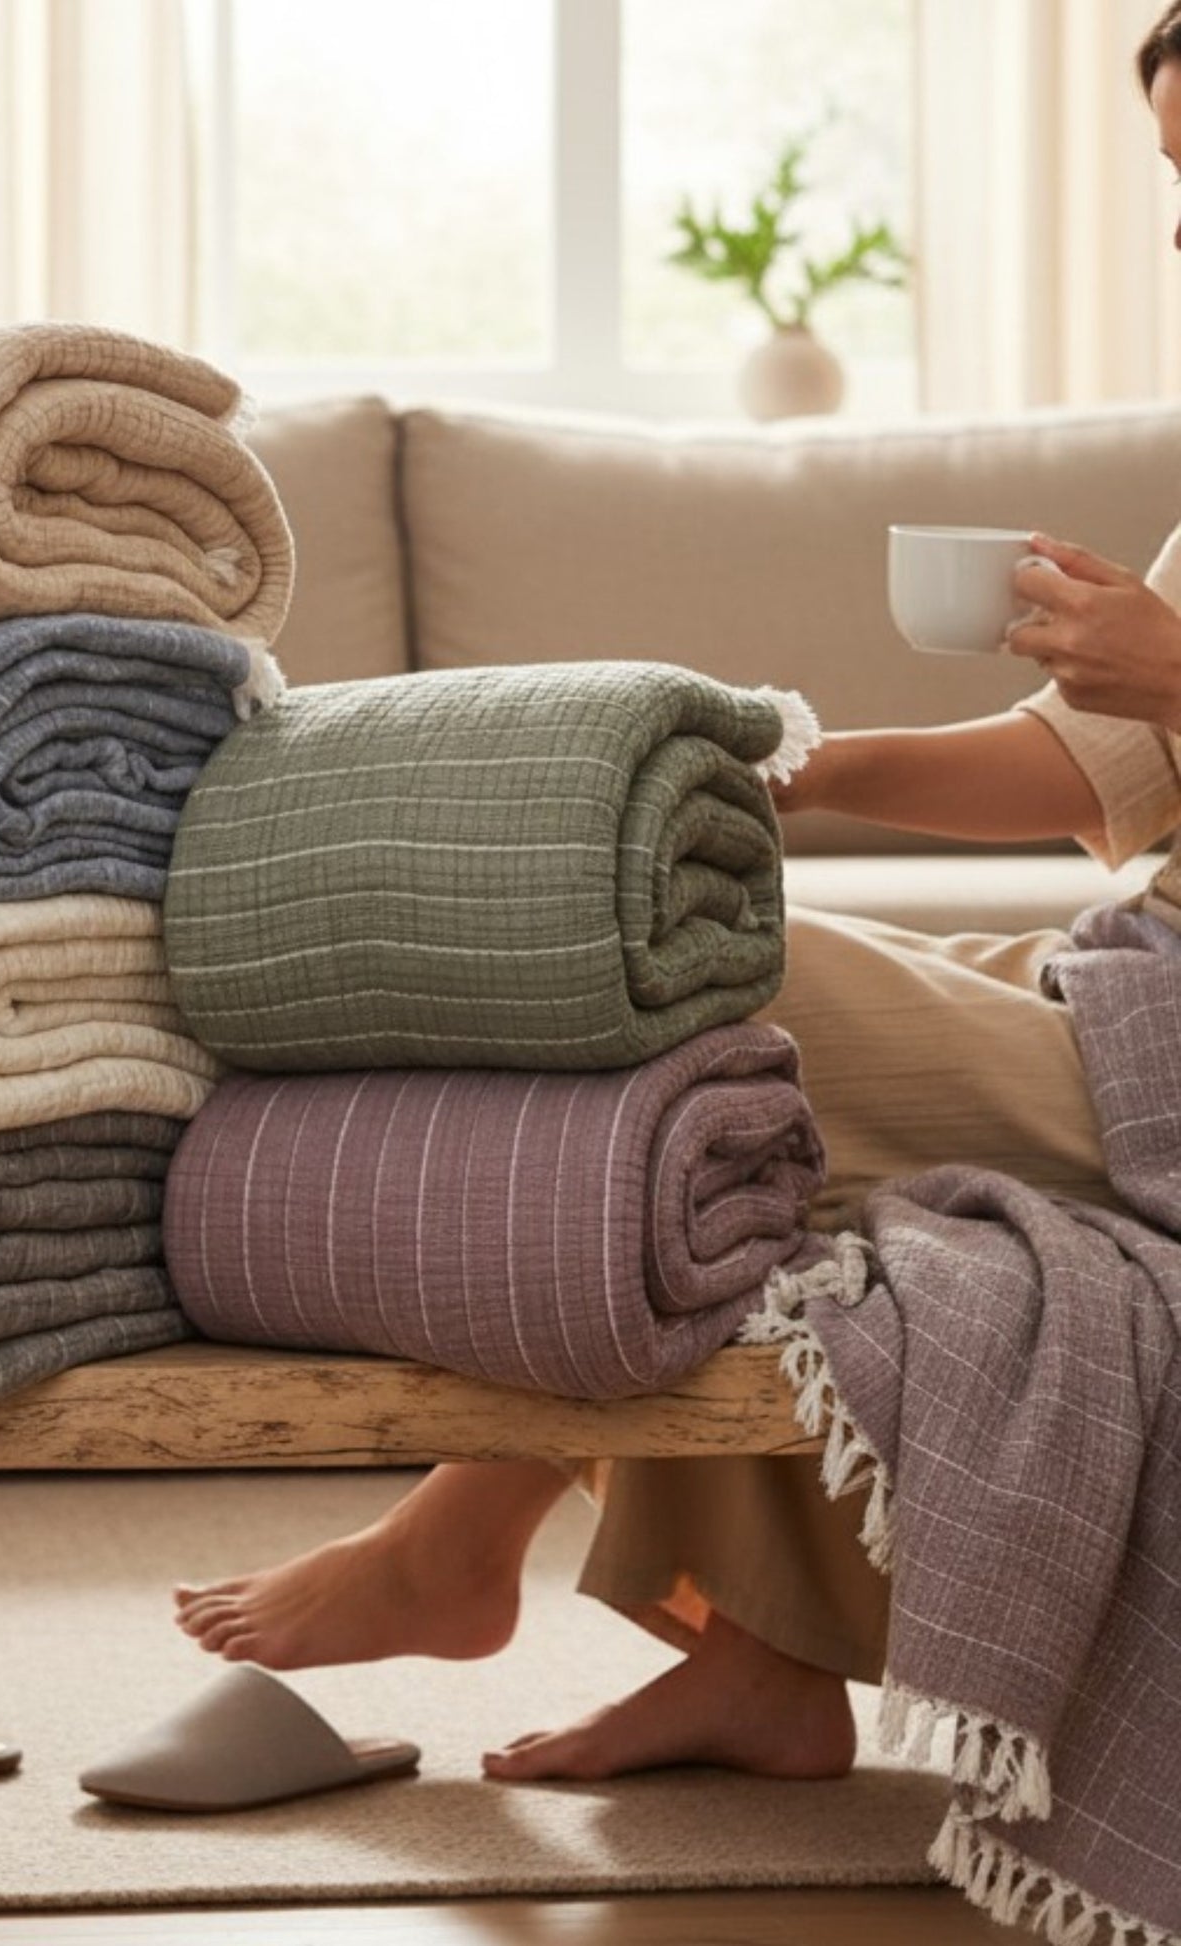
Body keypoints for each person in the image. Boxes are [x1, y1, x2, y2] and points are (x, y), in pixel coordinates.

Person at [172, 3, 1181, 1785]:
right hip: (1124, 974)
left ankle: (453, 1547)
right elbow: (1084, 769)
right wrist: (796, 766)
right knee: (661, 1017)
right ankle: (750, 1661)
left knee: (676, 988)